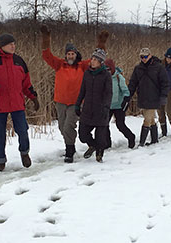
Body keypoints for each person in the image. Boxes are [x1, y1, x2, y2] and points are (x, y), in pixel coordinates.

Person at [39, 26, 108, 162]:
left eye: (73, 54)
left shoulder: (82, 66)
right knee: (61, 126)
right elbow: (46, 56)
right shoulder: (59, 64)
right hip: (60, 101)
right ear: (65, 55)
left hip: (76, 103)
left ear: (76, 55)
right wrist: (46, 39)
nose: (71, 56)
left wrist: (102, 42)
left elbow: (97, 58)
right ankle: (71, 145)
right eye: (69, 54)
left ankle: (69, 151)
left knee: (69, 125)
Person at [0, 33, 39, 171]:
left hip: (17, 103)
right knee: (0, 134)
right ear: (3, 46)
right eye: (10, 44)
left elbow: (26, 83)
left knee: (23, 131)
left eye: (14, 44)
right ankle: (1, 161)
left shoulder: (19, 61)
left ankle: (24, 153)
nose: (13, 46)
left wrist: (33, 97)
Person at [76, 48, 113, 161]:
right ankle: (93, 145)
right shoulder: (87, 73)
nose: (92, 61)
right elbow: (83, 90)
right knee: (82, 134)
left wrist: (106, 108)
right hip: (88, 108)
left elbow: (108, 93)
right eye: (92, 58)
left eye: (95, 59)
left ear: (101, 62)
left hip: (101, 109)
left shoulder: (106, 75)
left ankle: (99, 154)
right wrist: (77, 104)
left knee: (100, 136)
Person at [127, 47, 169, 146]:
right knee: (151, 119)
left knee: (147, 119)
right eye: (142, 57)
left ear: (150, 55)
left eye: (145, 56)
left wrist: (163, 96)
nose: (144, 59)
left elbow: (165, 82)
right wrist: (129, 94)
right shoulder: (138, 68)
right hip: (143, 96)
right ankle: (154, 139)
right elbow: (133, 82)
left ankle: (141, 142)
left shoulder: (158, 67)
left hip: (154, 96)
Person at [106, 57, 135, 149]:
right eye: (105, 69)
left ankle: (131, 137)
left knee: (120, 125)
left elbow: (126, 91)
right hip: (108, 105)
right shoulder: (104, 78)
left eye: (109, 69)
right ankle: (107, 143)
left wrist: (126, 100)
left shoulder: (119, 77)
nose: (107, 71)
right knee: (104, 125)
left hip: (119, 105)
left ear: (112, 68)